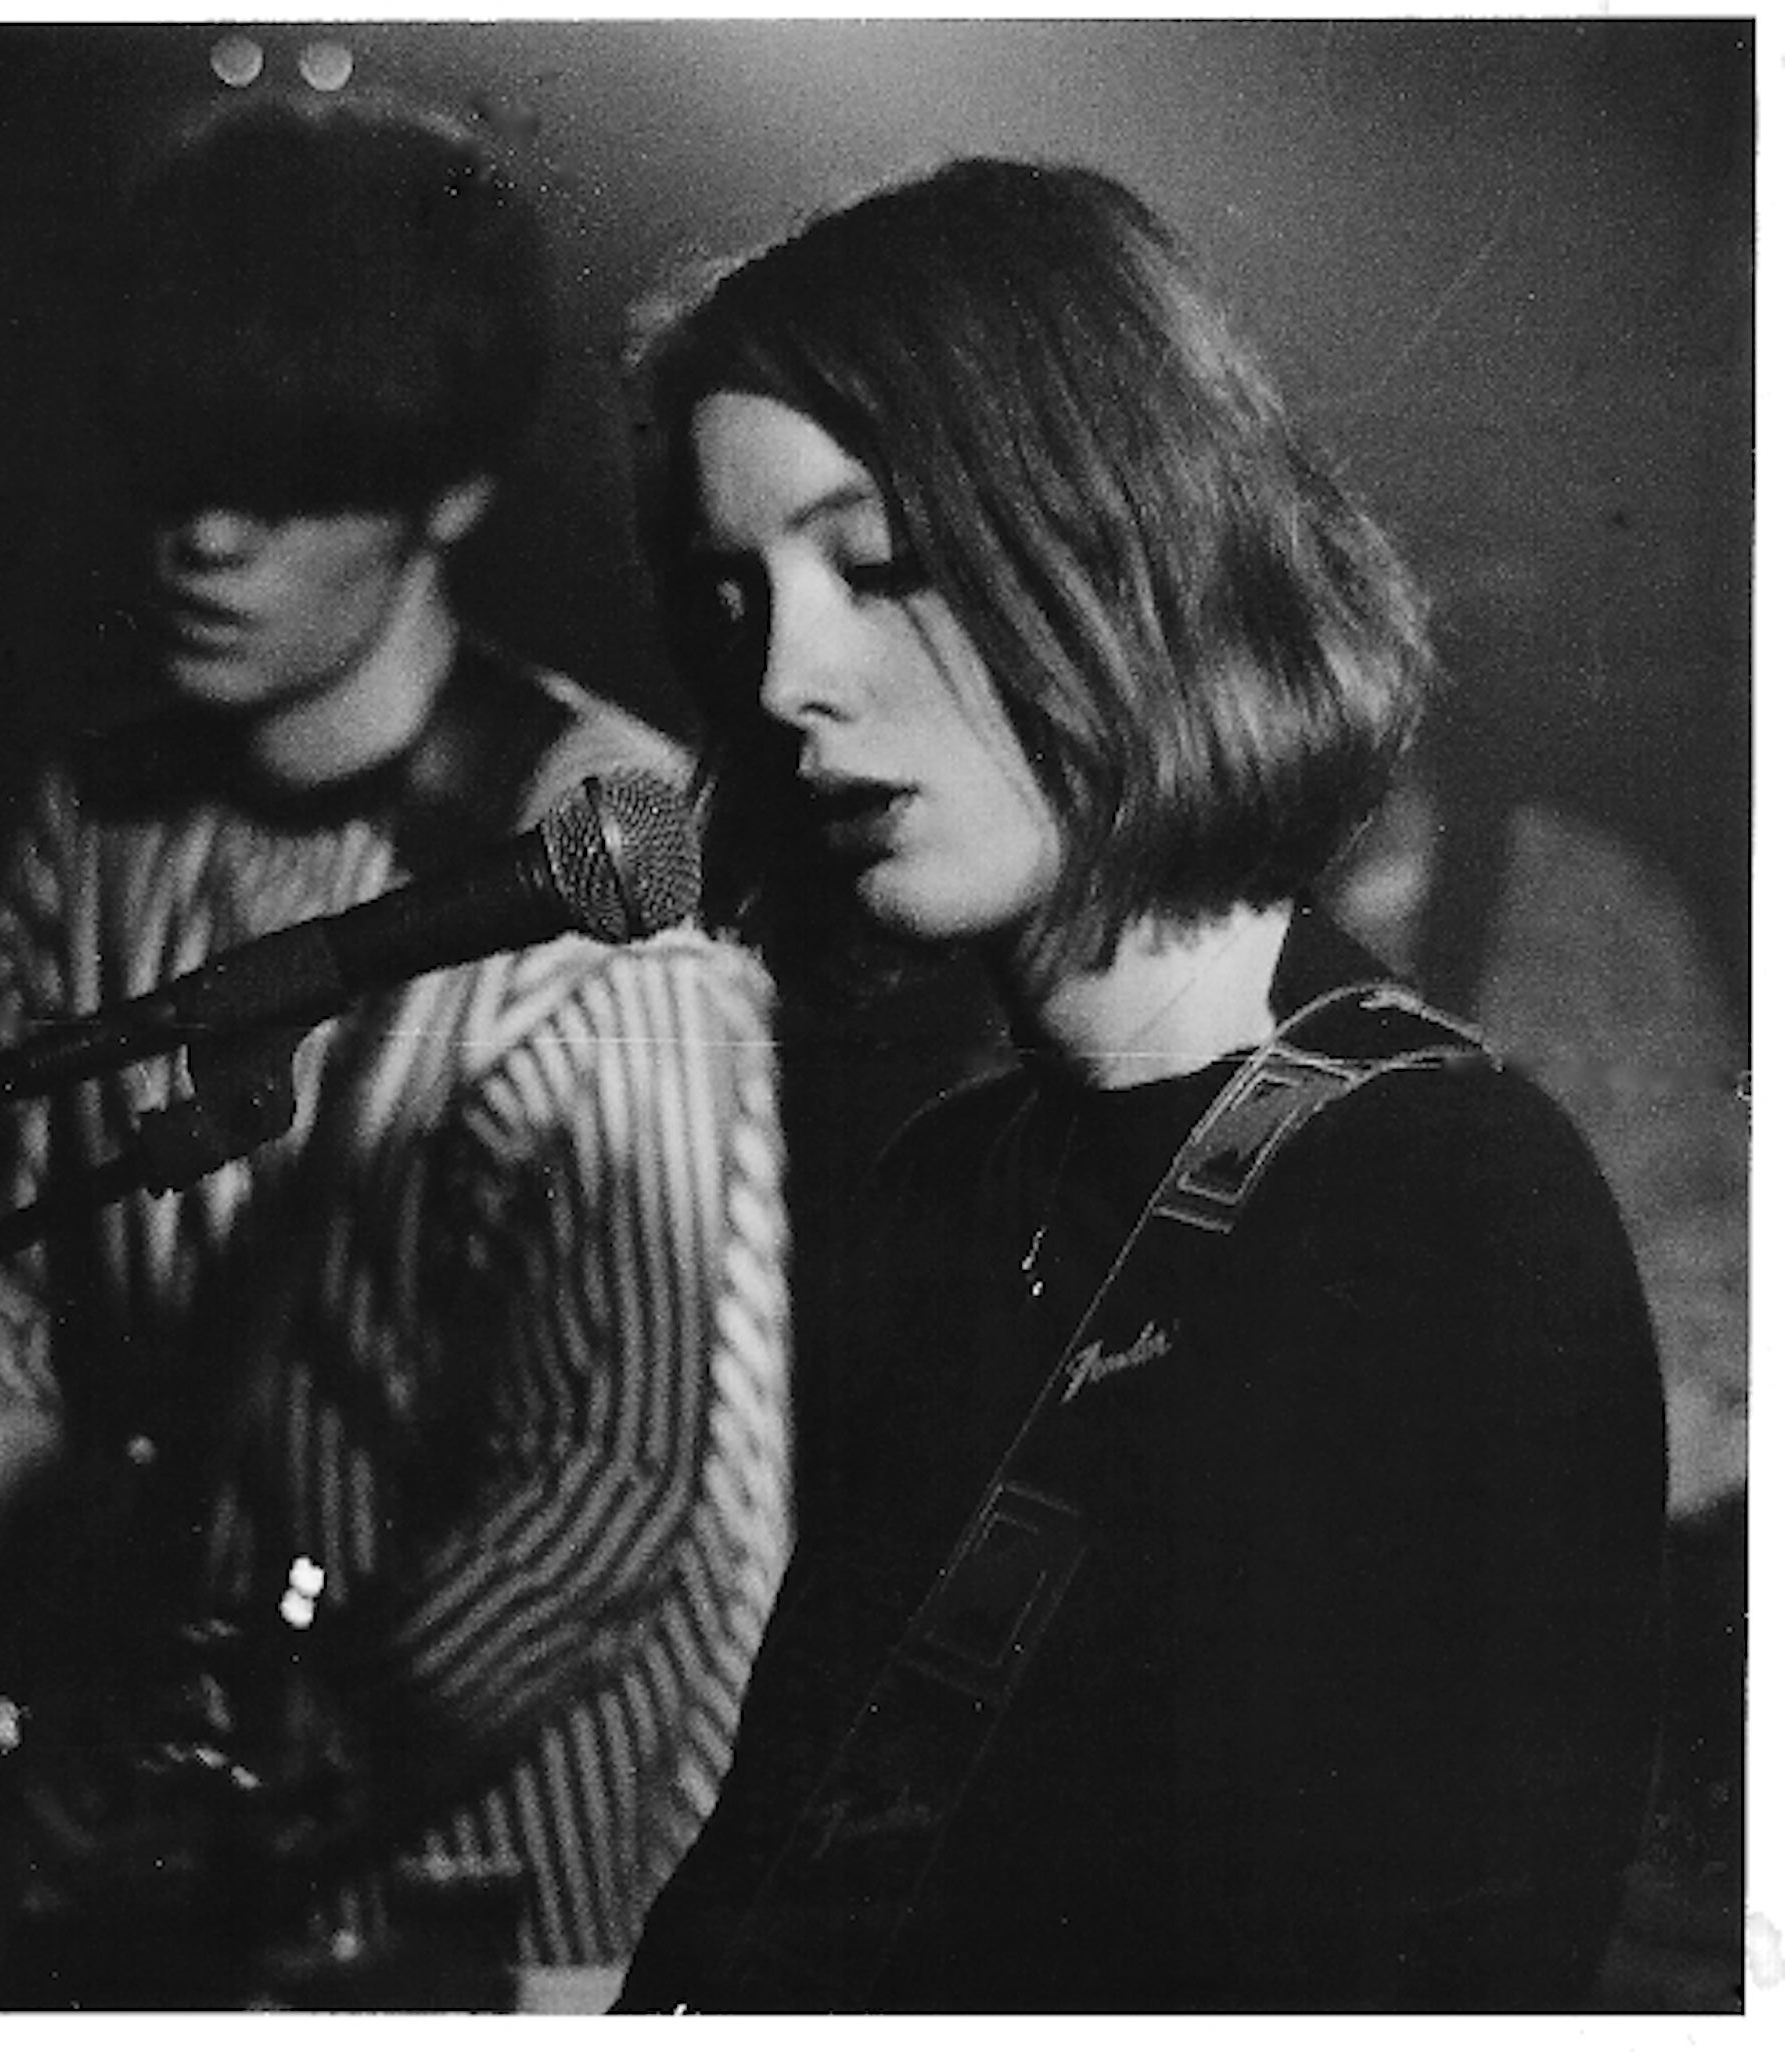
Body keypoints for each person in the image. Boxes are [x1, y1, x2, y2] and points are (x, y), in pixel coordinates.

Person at [614, 158, 1668, 2012]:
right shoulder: (951, 1181)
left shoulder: (1440, 1204)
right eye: (734, 595)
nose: (783, 676)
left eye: (877, 565)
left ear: (1116, 546)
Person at [0, 90, 791, 2014]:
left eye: (292, 473)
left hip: (498, 1882)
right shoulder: (101, 812)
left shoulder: (595, 865)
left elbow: (604, 1493)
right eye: (179, 459)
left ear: (446, 491)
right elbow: (24, 1295)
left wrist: (260, 1798)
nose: (207, 535)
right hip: (175, 1797)